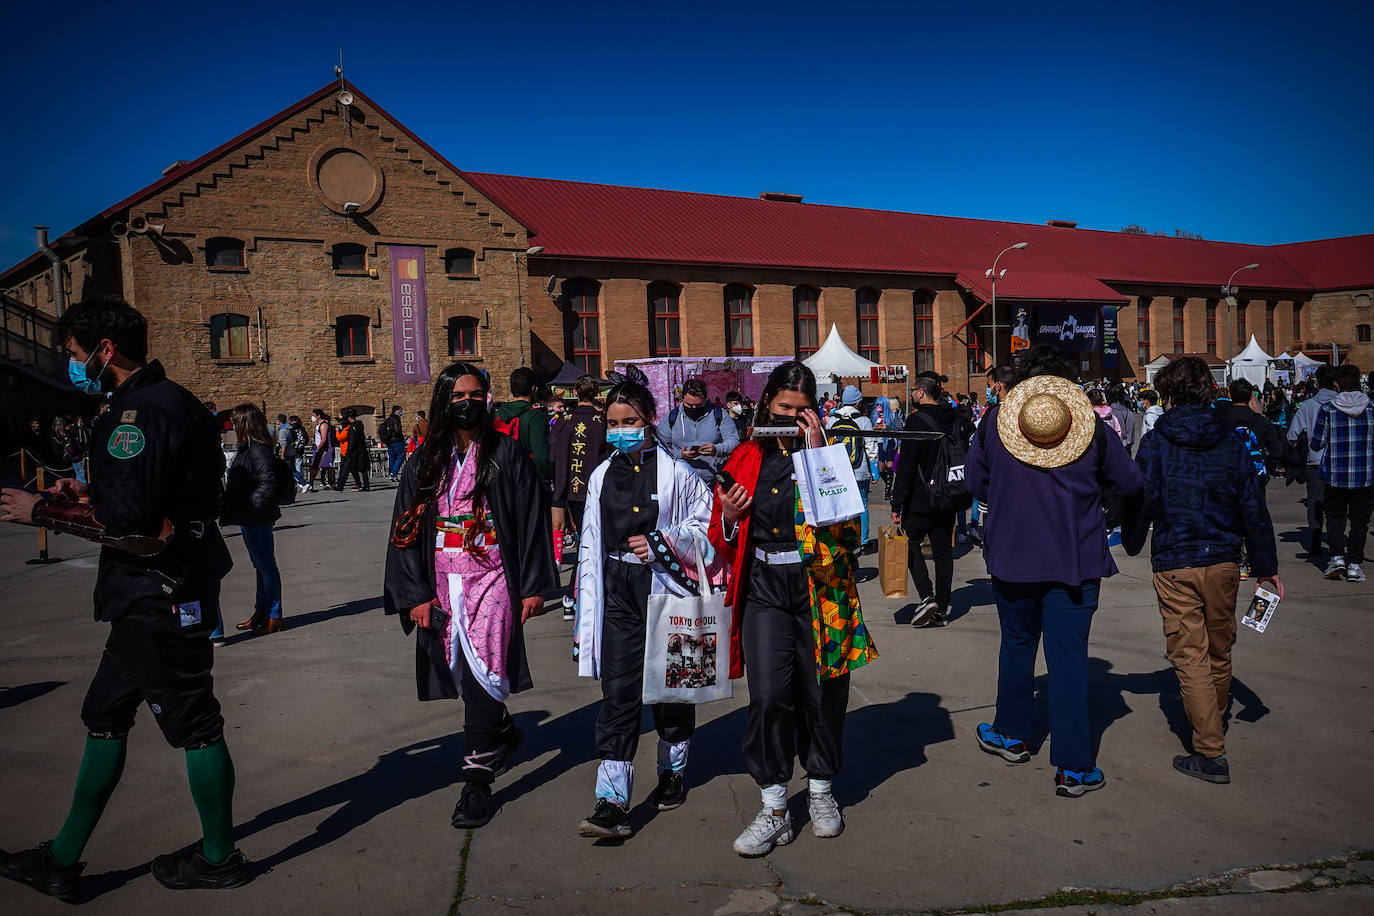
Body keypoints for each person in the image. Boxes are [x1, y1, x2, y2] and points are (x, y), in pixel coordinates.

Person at [0, 296, 246, 897]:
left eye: (75, 354)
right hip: (159, 588)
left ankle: (219, 857)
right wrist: (90, 490)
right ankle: (61, 859)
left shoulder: (135, 413)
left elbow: (133, 524)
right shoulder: (175, 399)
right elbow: (163, 490)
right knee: (105, 715)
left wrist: (44, 510)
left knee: (195, 723)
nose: (72, 365)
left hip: (156, 591)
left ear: (104, 350)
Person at [709, 361, 877, 856]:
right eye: (784, 408)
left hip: (819, 588)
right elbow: (722, 538)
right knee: (768, 694)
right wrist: (730, 516)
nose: (792, 418)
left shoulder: (828, 452)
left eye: (803, 410)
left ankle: (821, 789)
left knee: (822, 693)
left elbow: (849, 531)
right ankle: (774, 804)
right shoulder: (744, 455)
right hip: (764, 586)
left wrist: (819, 453)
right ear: (767, 404)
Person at [384, 362, 557, 829]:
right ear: (444, 401)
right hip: (442, 578)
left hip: (494, 575)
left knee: (487, 668)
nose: (468, 403)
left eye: (476, 395)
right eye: (458, 396)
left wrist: (534, 585)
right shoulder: (424, 460)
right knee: (460, 667)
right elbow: (404, 528)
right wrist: (414, 593)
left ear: (488, 398)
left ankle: (477, 780)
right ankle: (500, 728)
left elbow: (531, 519)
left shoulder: (507, 453)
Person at [964, 345, 1141, 798]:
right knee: (1069, 659)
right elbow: (1130, 481)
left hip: (1012, 556)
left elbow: (975, 482)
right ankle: (1074, 766)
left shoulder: (993, 423)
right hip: (1074, 560)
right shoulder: (1093, 429)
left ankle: (1012, 734)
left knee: (1017, 646)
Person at [1127, 356, 1282, 785]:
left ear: (1169, 395)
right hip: (1224, 558)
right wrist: (1266, 566)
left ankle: (1210, 751)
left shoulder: (1158, 441)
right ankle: (1213, 721)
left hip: (1176, 559)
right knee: (1219, 649)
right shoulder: (1232, 440)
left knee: (1189, 655)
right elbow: (1253, 506)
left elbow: (1144, 496)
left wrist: (1132, 538)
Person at [573, 380, 715, 839]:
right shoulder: (600, 476)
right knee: (618, 690)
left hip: (668, 586)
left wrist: (662, 542)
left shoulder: (680, 473)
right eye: (614, 424)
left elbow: (706, 528)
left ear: (650, 418)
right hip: (618, 590)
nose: (622, 431)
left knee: (674, 686)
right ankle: (612, 800)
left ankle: (673, 770)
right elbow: (590, 540)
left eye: (630, 421)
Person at [891, 375, 970, 627]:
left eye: (913, 390)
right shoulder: (956, 417)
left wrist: (897, 502)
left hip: (920, 496)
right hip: (949, 493)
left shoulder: (916, 421)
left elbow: (906, 465)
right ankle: (943, 608)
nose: (912, 394)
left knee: (909, 544)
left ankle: (927, 596)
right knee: (943, 550)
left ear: (921, 393)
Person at [222, 404, 285, 636]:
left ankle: (273, 614)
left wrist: (250, 506)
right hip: (250, 515)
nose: (232, 425)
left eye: (235, 422)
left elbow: (268, 481)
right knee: (260, 565)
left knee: (266, 565)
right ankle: (262, 611)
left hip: (256, 516)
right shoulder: (248, 448)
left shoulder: (257, 449)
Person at [1311, 364, 1374, 582]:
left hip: (1335, 474)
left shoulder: (1328, 409)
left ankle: (1337, 558)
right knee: (1360, 522)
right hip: (1365, 475)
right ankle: (1354, 564)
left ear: (1337, 385)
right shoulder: (1371, 408)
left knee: (1335, 518)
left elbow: (1317, 443)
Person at [1288, 366, 1338, 562]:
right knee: (1336, 505)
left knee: (1315, 502)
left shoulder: (1307, 405)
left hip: (1314, 459)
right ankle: (1336, 546)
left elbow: (1292, 435)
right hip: (1338, 461)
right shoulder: (1341, 403)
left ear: (1316, 383)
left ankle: (1316, 540)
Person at [825, 385, 879, 550]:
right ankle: (863, 541)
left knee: (840, 505)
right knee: (862, 504)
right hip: (860, 469)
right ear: (858, 403)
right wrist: (875, 471)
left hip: (838, 471)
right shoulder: (863, 421)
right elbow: (871, 447)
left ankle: (841, 540)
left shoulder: (832, 421)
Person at [657, 378, 740, 485]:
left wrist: (716, 449)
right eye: (689, 405)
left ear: (706, 399)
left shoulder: (719, 414)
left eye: (699, 405)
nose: (694, 408)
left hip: (714, 481)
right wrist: (680, 454)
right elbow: (659, 447)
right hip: (681, 482)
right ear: (682, 399)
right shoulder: (671, 418)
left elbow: (734, 441)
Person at [494, 367, 552, 482]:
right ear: (533, 389)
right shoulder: (535, 417)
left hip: (500, 479)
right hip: (526, 480)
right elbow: (541, 458)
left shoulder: (497, 414)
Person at [335, 409, 369, 492]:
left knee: (346, 468)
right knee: (360, 469)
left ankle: (340, 486)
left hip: (355, 451)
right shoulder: (358, 425)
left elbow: (352, 441)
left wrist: (348, 452)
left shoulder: (353, 427)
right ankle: (365, 485)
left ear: (350, 417)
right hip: (360, 449)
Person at [308, 408, 335, 492]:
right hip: (321, 448)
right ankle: (331, 483)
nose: (312, 417)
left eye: (314, 415)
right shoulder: (319, 425)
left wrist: (318, 448)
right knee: (326, 466)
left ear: (318, 416)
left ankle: (311, 484)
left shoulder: (323, 425)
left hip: (323, 449)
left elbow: (324, 439)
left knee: (317, 466)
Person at [379, 405, 407, 481]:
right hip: (396, 441)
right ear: (396, 411)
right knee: (401, 457)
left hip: (389, 441)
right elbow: (397, 430)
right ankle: (393, 473)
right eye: (400, 411)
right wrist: (402, 437)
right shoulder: (396, 419)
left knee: (391, 458)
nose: (401, 412)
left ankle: (391, 474)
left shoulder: (388, 419)